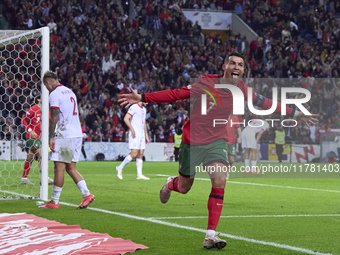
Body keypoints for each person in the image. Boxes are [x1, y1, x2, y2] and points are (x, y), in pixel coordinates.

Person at [118, 52, 318, 249]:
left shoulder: (242, 90)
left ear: (243, 70)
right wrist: (143, 97)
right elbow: (176, 94)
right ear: (224, 67)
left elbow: (266, 103)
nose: (236, 67)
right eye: (232, 63)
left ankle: (210, 235)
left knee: (220, 179)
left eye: (240, 65)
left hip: (217, 141)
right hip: (192, 141)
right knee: (185, 187)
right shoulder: (206, 83)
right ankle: (170, 184)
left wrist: (295, 113)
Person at [39, 71, 95, 209]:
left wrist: (50, 137)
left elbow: (54, 117)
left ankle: (54, 201)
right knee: (71, 168)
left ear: (48, 82)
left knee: (59, 168)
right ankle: (86, 194)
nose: (46, 88)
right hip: (77, 134)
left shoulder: (55, 94)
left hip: (65, 134)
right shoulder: (70, 92)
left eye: (46, 86)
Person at [21, 95, 54, 185]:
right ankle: (45, 178)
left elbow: (48, 124)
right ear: (38, 99)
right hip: (32, 137)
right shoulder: (33, 109)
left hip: (42, 138)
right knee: (41, 154)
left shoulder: (47, 111)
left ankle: (24, 178)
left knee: (30, 157)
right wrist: (30, 131)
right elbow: (23, 120)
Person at [116, 102, 150, 180]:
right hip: (135, 134)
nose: (147, 103)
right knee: (134, 154)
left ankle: (139, 175)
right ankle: (120, 167)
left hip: (142, 134)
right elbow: (126, 118)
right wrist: (131, 129)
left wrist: (146, 135)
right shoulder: (134, 107)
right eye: (146, 101)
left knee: (140, 154)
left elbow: (144, 122)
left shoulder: (144, 109)